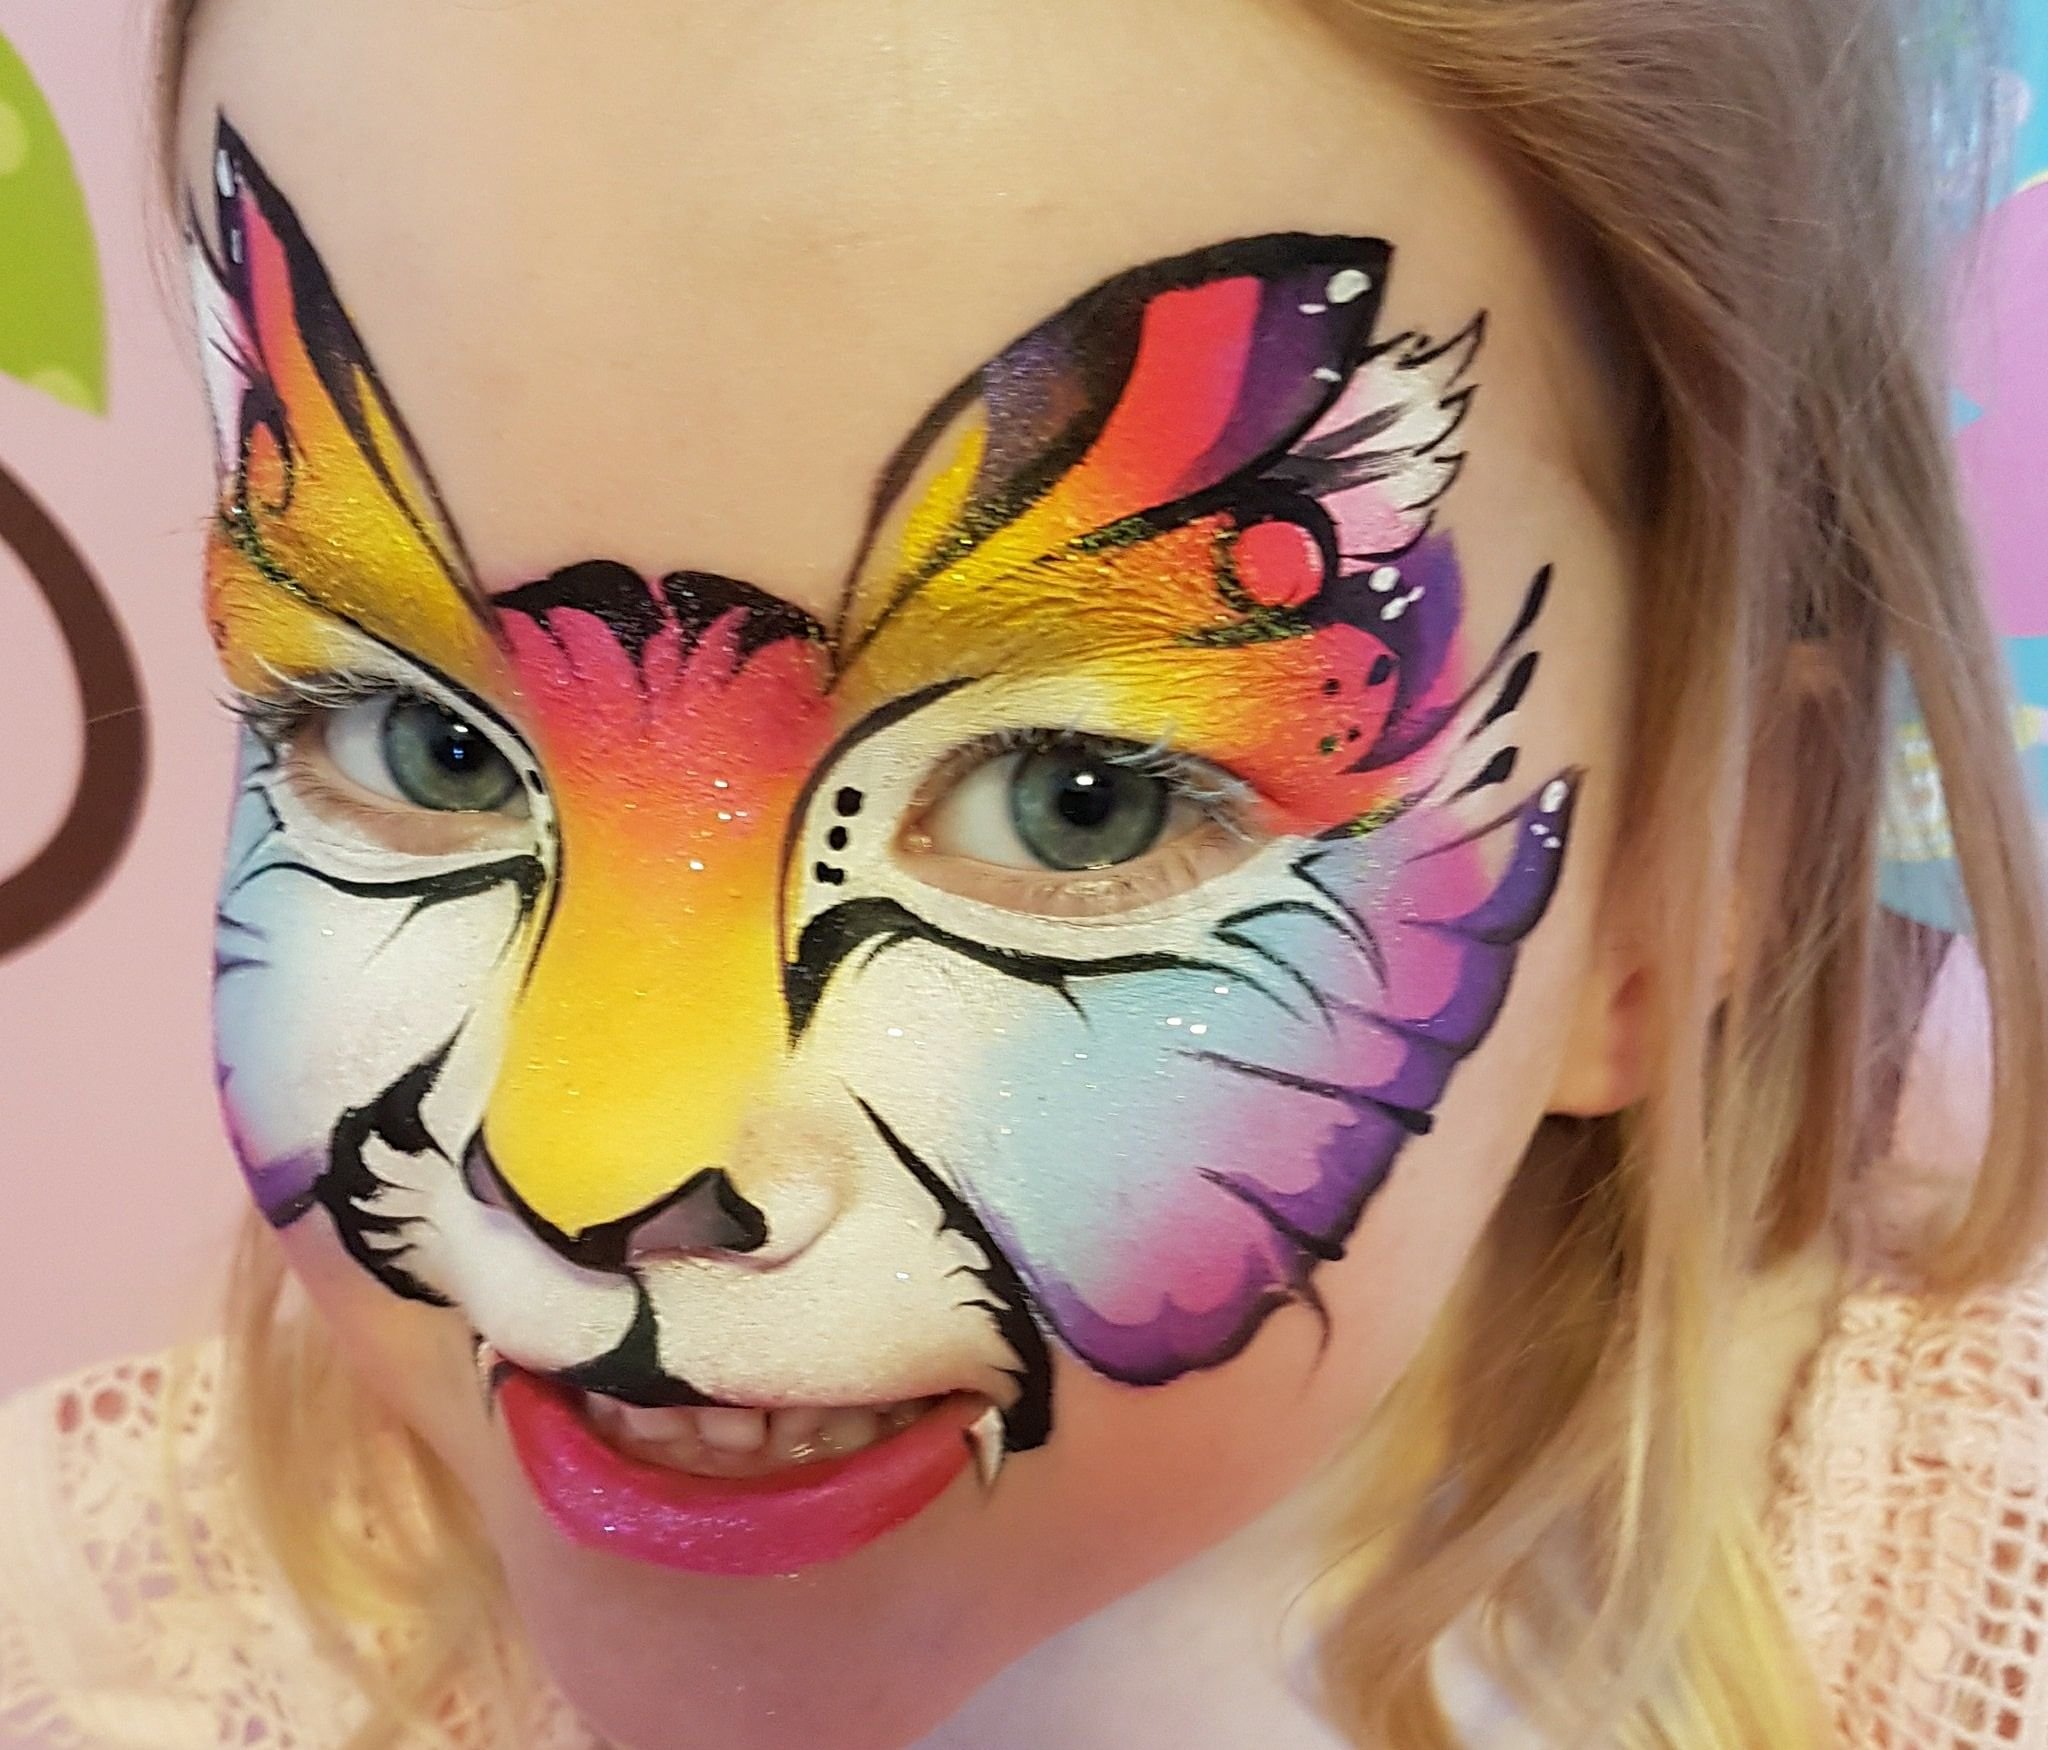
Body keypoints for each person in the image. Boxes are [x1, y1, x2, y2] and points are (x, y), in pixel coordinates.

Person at [3, 0, 2044, 1745]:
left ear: (1695, 864)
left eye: (1079, 798)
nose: (590, 1164)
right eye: (416, 740)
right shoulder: (101, 1644)